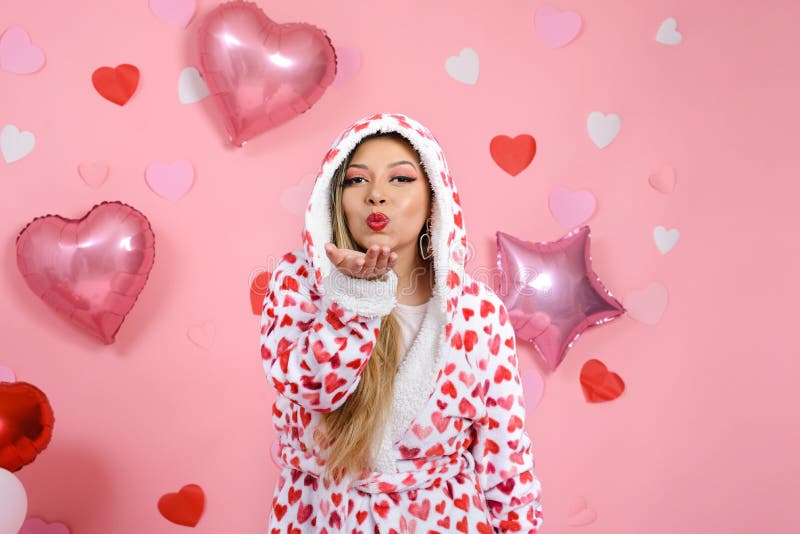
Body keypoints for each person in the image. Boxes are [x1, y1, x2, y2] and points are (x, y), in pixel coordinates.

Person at [260, 112, 543, 533]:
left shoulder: (479, 314)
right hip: (325, 519)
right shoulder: (297, 285)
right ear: (334, 198)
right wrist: (354, 300)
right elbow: (313, 388)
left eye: (401, 179)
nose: (376, 195)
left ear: (435, 197)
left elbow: (506, 462)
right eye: (357, 180)